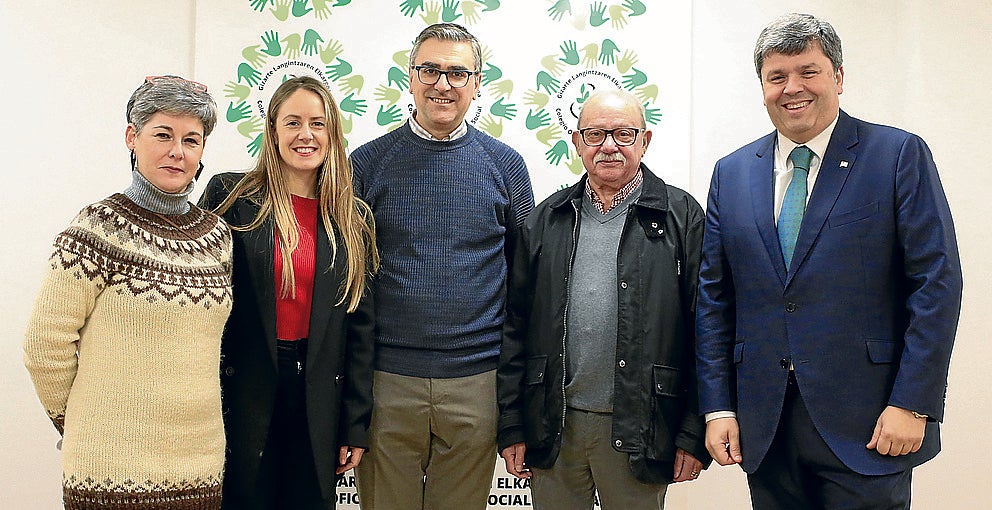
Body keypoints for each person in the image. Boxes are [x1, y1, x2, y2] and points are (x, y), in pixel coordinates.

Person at [695, 13, 963, 509]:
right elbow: (714, 299)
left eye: (808, 71)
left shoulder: (897, 154)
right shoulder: (730, 174)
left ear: (838, 77)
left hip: (870, 423)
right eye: (777, 77)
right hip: (766, 426)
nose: (792, 88)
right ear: (762, 86)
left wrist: (913, 403)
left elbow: (936, 284)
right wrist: (717, 407)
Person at [23, 75, 230, 508]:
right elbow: (45, 345)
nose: (178, 150)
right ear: (131, 138)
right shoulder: (95, 229)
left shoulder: (218, 237)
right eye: (163, 135)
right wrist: (80, 423)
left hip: (201, 467)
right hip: (111, 468)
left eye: (191, 140)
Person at [351, 22, 534, 510]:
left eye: (457, 72)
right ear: (409, 78)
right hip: (387, 382)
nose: (442, 84)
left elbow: (523, 286)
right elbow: (349, 285)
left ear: (478, 84)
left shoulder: (507, 166)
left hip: (477, 383)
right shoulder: (365, 165)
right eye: (429, 69)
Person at [496, 90, 709, 510]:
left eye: (623, 134)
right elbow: (514, 327)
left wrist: (692, 431)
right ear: (576, 143)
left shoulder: (681, 216)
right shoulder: (545, 219)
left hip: (643, 426)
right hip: (555, 425)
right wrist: (512, 423)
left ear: (644, 141)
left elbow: (706, 332)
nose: (608, 146)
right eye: (594, 134)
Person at [198, 76, 377, 510]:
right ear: (272, 131)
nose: (306, 135)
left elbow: (361, 330)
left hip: (317, 395)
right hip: (244, 389)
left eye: (318, 123)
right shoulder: (231, 196)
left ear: (332, 133)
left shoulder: (354, 217)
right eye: (292, 122)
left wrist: (354, 424)